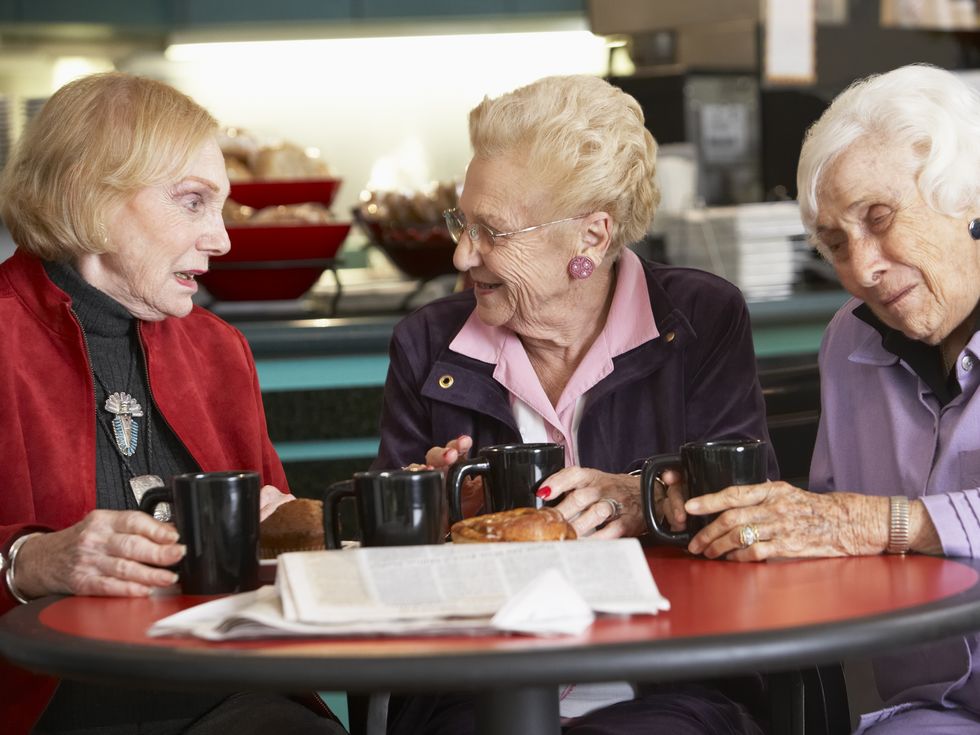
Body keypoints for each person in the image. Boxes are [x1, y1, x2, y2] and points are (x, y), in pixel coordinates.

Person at [373, 74, 776, 734]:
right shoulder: (427, 342)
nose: (460, 252)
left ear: (591, 237)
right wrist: (430, 513)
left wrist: (639, 498)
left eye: (491, 231)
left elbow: (749, 507)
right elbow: (383, 571)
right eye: (460, 221)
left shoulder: (702, 319)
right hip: (475, 690)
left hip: (672, 680)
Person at [0, 72, 343, 735]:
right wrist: (31, 562)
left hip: (232, 696)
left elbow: (277, 559)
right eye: (193, 202)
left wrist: (301, 531)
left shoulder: (220, 350)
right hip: (49, 705)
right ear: (90, 196)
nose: (222, 239)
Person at [680, 64, 980, 734]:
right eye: (836, 242)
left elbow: (858, 521)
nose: (862, 268)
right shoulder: (850, 343)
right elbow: (830, 530)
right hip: (930, 715)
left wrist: (882, 524)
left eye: (880, 219)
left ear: (968, 199)